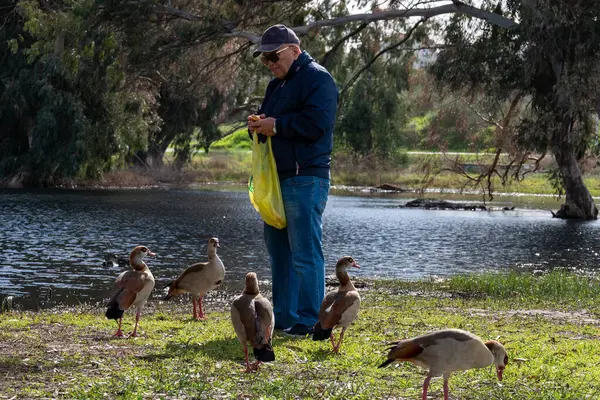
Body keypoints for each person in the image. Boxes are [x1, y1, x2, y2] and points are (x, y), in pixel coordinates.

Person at [247, 24, 339, 336]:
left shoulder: (318, 78)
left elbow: (317, 124)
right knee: (279, 252)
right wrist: (258, 124)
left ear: (295, 50)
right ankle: (283, 318)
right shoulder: (277, 86)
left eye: (275, 56)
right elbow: (270, 120)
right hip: (276, 180)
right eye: (265, 59)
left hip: (305, 178)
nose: (271, 63)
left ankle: (310, 319)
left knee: (304, 252)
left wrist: (278, 126)